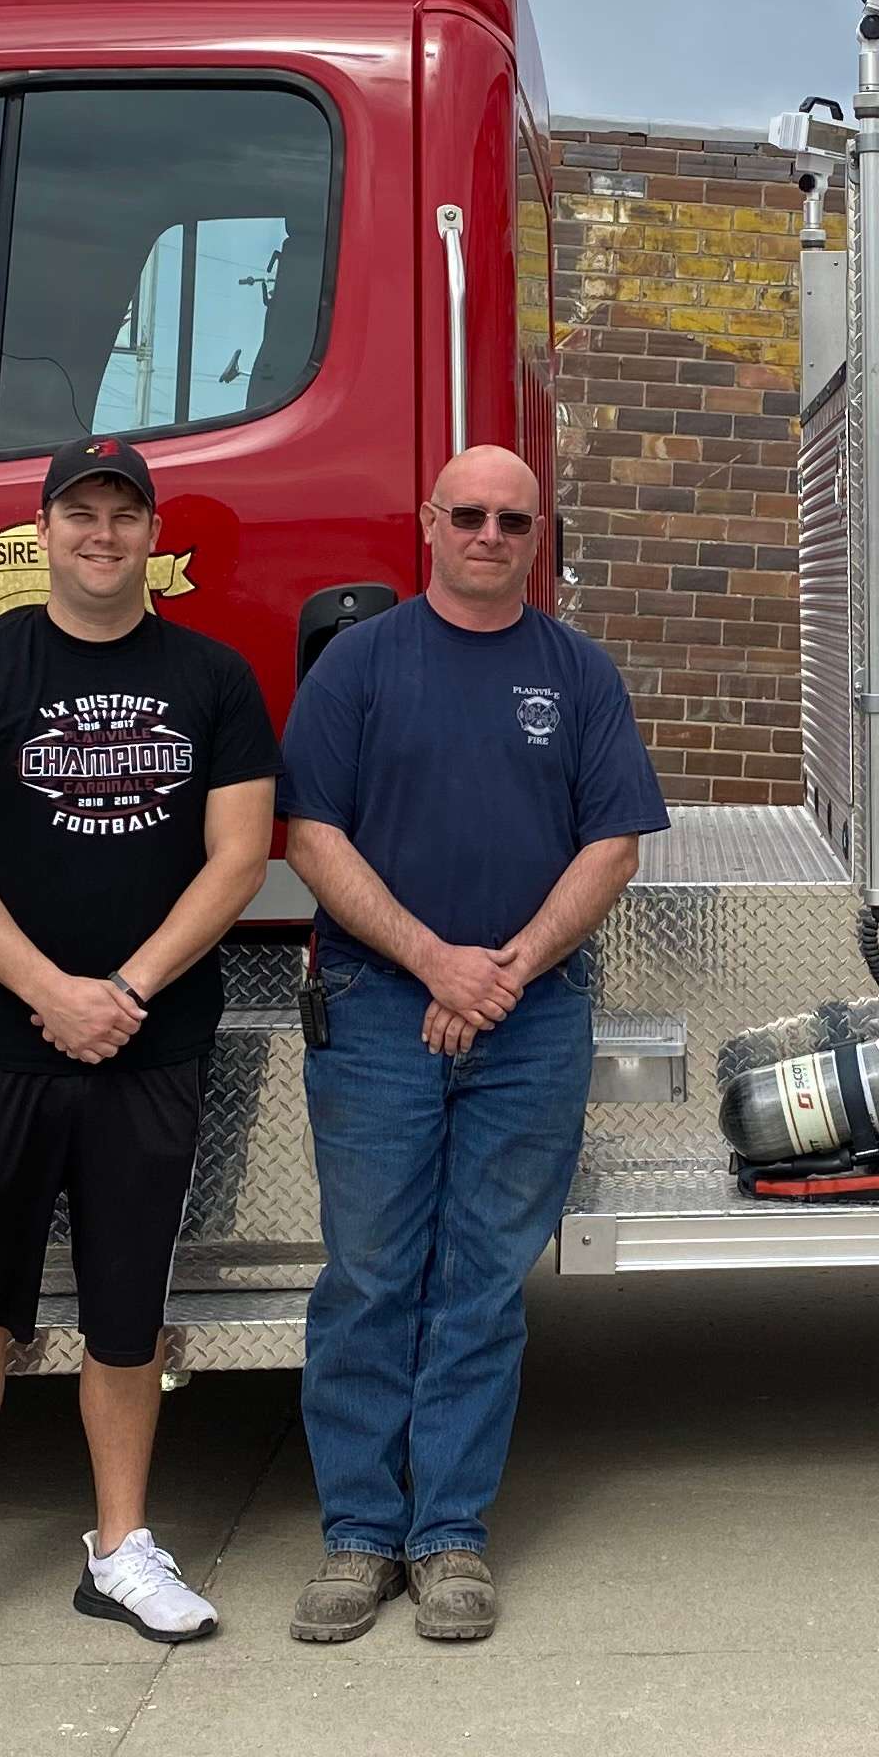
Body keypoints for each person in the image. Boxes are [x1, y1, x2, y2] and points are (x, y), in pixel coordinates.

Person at [0, 439, 279, 1677]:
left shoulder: (214, 677)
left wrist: (128, 989)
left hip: (154, 1042)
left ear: (152, 534)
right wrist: (51, 991)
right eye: (80, 513)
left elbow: (240, 856)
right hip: (7, 1039)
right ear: (41, 529)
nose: (103, 534)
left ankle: (121, 1548)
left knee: (127, 1305)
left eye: (125, 514)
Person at [274, 445, 666, 1646]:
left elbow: (612, 846)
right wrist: (434, 961)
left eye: (514, 520)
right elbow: (308, 831)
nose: (491, 535)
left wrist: (501, 973)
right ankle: (357, 1536)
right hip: (384, 1009)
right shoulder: (361, 664)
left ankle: (449, 1537)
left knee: (483, 1283)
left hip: (530, 1014)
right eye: (470, 516)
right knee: (373, 1276)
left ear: (535, 535)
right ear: (428, 522)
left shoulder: (579, 673)